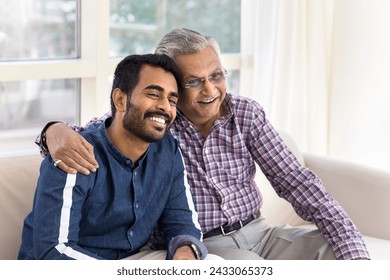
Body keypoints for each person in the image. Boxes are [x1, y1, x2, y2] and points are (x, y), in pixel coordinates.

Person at [36, 28, 370, 260]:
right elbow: (103, 130)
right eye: (193, 82)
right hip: (206, 245)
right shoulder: (157, 125)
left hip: (261, 231)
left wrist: (353, 252)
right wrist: (54, 130)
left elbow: (299, 185)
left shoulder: (246, 114)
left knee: (336, 252)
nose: (210, 91)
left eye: (216, 76)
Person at [19, 53, 210, 260]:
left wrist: (185, 250)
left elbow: (182, 222)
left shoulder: (168, 150)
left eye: (172, 99)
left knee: (212, 264)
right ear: (120, 99)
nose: (165, 106)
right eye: (154, 95)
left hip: (127, 262)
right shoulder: (74, 153)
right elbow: (54, 251)